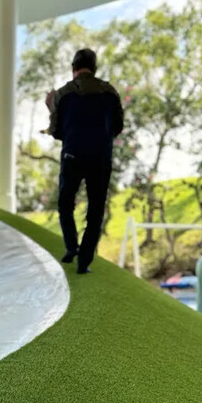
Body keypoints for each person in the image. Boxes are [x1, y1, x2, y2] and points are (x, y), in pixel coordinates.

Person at [45, 48, 124, 273]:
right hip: (101, 157)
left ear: (73, 69)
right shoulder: (110, 92)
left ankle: (72, 247)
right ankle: (84, 262)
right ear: (95, 68)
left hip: (73, 155)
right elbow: (117, 127)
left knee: (65, 203)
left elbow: (56, 131)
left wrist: (50, 106)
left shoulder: (62, 94)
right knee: (96, 210)